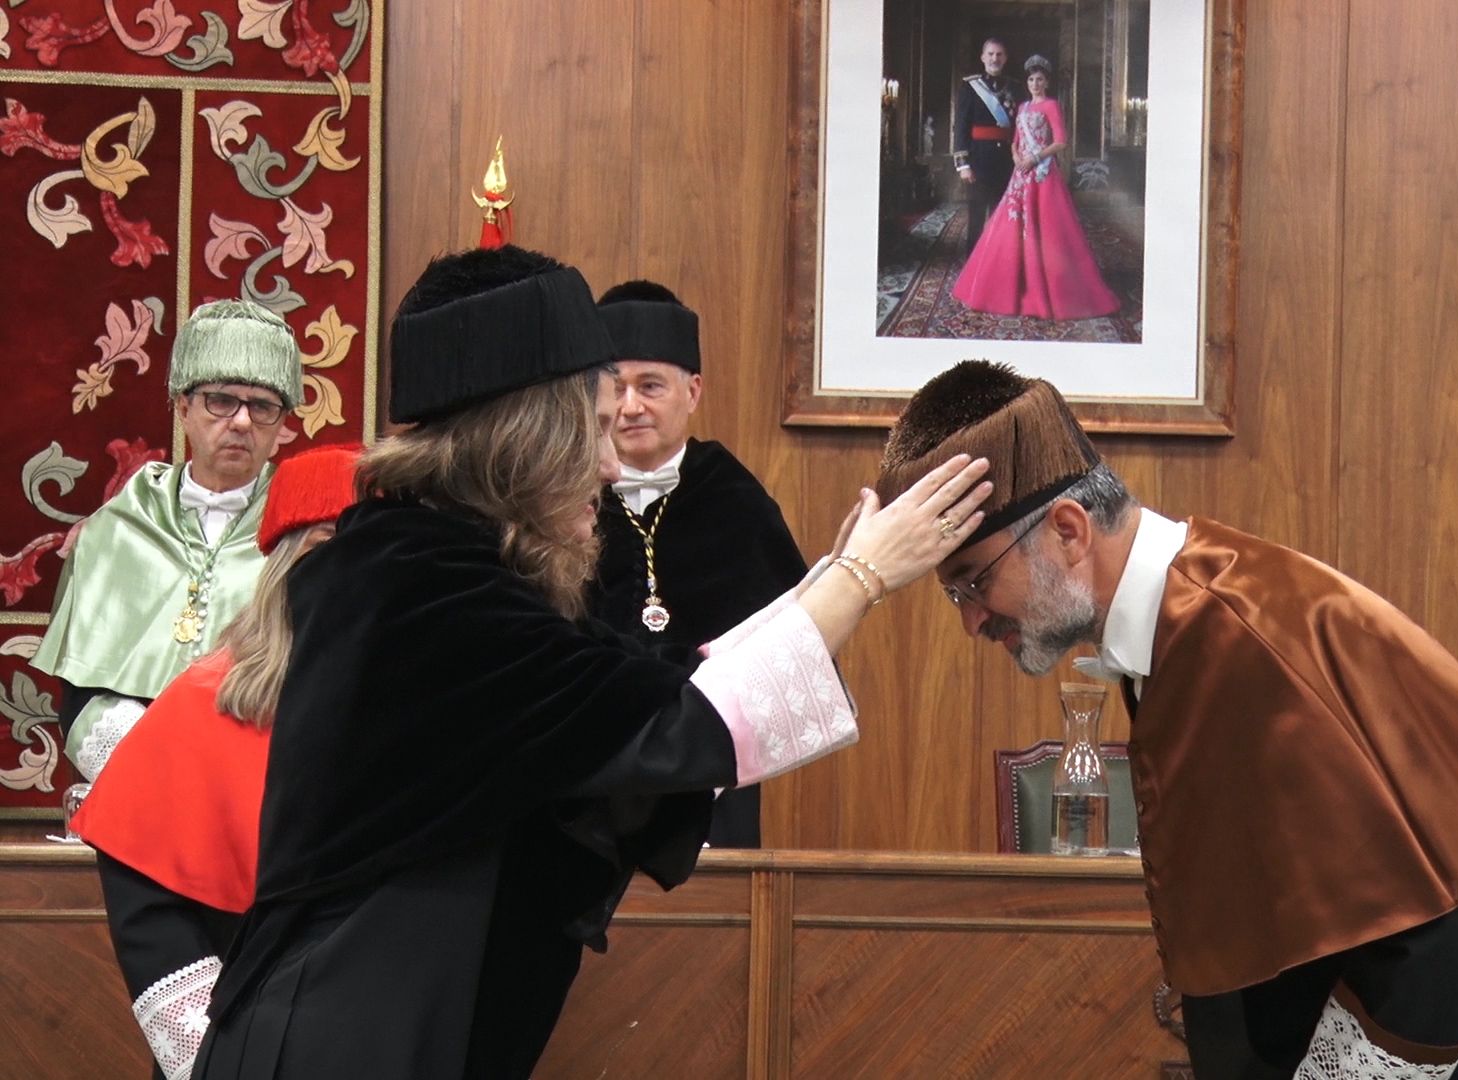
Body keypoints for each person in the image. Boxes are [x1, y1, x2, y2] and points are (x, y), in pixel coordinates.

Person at [191, 246, 993, 1079]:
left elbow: (661, 682)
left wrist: (833, 583)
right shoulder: (421, 588)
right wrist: (863, 579)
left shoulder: (434, 568)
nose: (612, 468)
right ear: (524, 434)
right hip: (345, 1042)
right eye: (595, 429)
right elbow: (679, 723)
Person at [876, 361, 1458, 1078]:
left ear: (1069, 531)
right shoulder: (1177, 622)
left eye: (973, 580)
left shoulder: (1242, 636)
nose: (972, 619)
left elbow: (1436, 931)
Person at [71, 444, 360, 1080]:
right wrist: (228, 1056)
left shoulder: (422, 703)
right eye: (324, 547)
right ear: (284, 565)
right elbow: (151, 912)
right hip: (231, 1040)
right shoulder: (204, 700)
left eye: (369, 554)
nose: (349, 572)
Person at [32, 299, 302, 781]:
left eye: (262, 406)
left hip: (257, 798)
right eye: (221, 400)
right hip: (133, 791)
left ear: (282, 424)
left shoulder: (308, 537)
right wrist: (155, 773)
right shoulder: (114, 532)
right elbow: (79, 696)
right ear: (183, 406)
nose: (241, 422)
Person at [590, 278, 807, 847]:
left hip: (711, 771)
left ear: (693, 391)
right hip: (592, 768)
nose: (631, 406)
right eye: (617, 388)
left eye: (651, 386)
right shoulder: (563, 499)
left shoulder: (735, 498)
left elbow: (786, 643)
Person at [952, 54, 1120, 320]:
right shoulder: (1022, 107)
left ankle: (1049, 288)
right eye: (1031, 79)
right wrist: (1018, 158)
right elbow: (1015, 140)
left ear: (1047, 83)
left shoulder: (1051, 106)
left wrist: (1034, 158)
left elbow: (1061, 142)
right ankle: (1007, 286)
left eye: (1039, 79)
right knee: (1009, 227)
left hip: (1042, 174)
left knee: (1046, 230)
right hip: (1021, 174)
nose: (1034, 84)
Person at [953, 36, 1017, 252]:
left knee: (1004, 216)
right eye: (990, 54)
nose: (994, 58)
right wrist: (963, 165)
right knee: (977, 217)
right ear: (982, 57)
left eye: (999, 54)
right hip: (978, 160)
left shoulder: (1015, 87)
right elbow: (961, 126)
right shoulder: (970, 86)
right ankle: (973, 265)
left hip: (1007, 161)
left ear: (1005, 58)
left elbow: (1019, 126)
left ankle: (1000, 263)